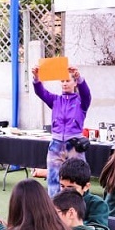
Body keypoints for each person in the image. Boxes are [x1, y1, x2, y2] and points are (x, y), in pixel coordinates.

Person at [32, 64, 91, 196]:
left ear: (75, 83)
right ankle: (53, 210)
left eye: (68, 80)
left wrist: (79, 77)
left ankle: (80, 207)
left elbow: (86, 93)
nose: (64, 84)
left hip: (74, 145)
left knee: (79, 179)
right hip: (56, 145)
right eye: (62, 81)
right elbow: (40, 92)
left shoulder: (82, 101)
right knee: (53, 179)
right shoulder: (55, 100)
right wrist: (36, 78)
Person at [57, 157, 109, 229]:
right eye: (62, 186)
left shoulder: (97, 205)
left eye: (71, 188)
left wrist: (73, 222)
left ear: (86, 186)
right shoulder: (56, 203)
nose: (65, 191)